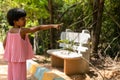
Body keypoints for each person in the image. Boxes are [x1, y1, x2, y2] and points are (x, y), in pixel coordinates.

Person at [3, 8, 62, 80]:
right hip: (20, 60)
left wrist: (12, 54)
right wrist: (53, 26)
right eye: (22, 19)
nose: (25, 20)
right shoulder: (22, 31)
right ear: (15, 21)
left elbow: (4, 43)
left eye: (25, 18)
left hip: (12, 60)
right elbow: (39, 28)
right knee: (20, 77)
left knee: (12, 77)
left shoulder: (9, 31)